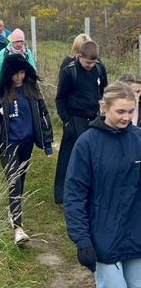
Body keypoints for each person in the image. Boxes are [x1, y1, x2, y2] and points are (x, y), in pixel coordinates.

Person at [64, 81, 141, 288]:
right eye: (120, 111)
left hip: (135, 233)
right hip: (102, 235)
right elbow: (74, 194)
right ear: (104, 107)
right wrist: (82, 239)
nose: (126, 117)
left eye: (131, 111)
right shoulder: (87, 143)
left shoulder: (138, 139)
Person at [0, 54, 53, 246]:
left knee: (20, 180)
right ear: (8, 74)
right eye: (15, 74)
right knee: (14, 182)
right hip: (8, 144)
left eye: (22, 73)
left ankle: (13, 209)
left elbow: (43, 116)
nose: (19, 77)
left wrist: (47, 143)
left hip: (26, 143)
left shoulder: (32, 91)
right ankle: (18, 228)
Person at [54, 40, 108, 204]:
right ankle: (62, 195)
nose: (91, 65)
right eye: (87, 62)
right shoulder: (69, 72)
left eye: (93, 62)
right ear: (79, 57)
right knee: (69, 158)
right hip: (75, 119)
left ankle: (92, 192)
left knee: (94, 157)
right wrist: (67, 122)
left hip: (95, 118)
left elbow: (104, 91)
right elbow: (60, 99)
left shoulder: (99, 69)